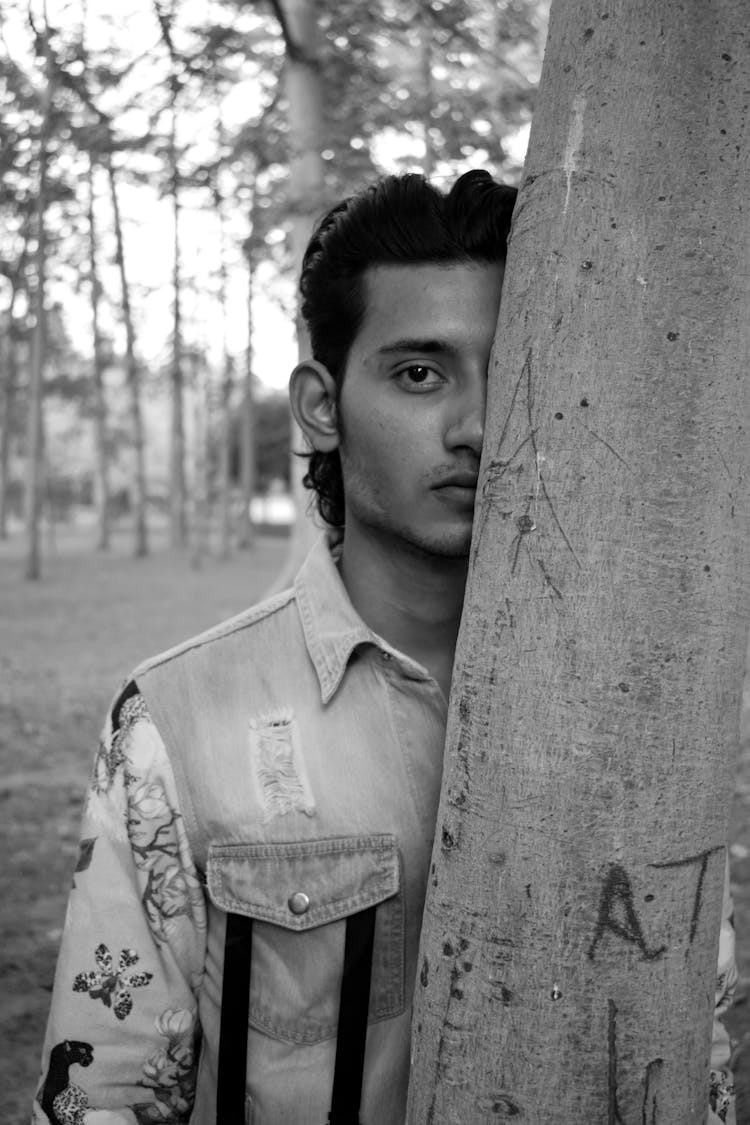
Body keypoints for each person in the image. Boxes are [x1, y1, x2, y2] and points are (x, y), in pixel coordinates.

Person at [34, 171, 736, 1125]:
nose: (481, 426)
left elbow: (704, 1053)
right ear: (323, 406)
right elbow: (101, 1093)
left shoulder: (635, 717)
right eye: (419, 372)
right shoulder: (179, 720)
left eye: (514, 367)